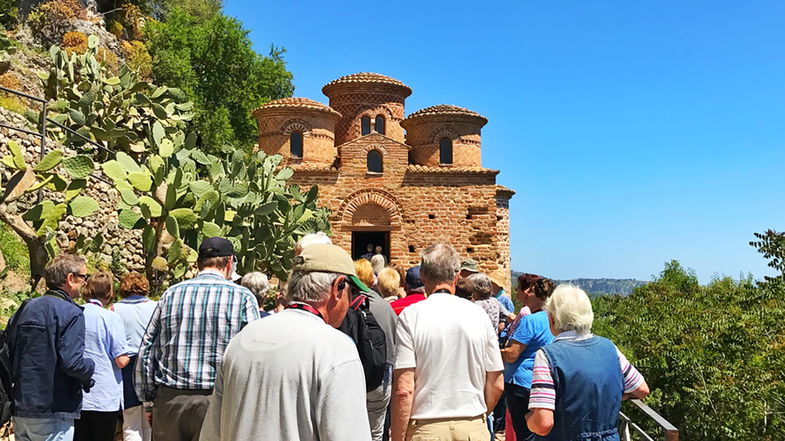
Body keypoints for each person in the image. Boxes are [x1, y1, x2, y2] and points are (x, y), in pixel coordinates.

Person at [198, 244, 371, 441]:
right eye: (352, 293)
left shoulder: (242, 339)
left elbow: (211, 434)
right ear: (337, 287)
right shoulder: (335, 348)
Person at [136, 237, 261, 441]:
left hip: (170, 399)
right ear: (230, 263)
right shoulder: (242, 297)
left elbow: (147, 349)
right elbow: (254, 354)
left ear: (198, 263)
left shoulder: (171, 294)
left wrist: (148, 400)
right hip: (219, 399)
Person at [391, 243, 504, 441]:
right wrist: (479, 414)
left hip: (426, 427)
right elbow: (497, 382)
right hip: (472, 425)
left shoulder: (411, 316)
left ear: (423, 276)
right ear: (457, 275)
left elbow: (404, 389)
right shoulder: (479, 315)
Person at [527, 285, 650, 440]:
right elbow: (642, 389)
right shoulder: (609, 347)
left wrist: (529, 421)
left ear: (552, 318)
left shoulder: (547, 356)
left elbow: (543, 424)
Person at [7, 254, 95, 441]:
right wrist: (90, 368)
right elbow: (72, 363)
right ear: (71, 279)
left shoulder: (25, 308)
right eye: (83, 278)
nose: (85, 283)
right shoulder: (71, 312)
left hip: (22, 407)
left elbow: (9, 350)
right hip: (53, 407)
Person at [76, 272, 130, 441]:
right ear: (109, 293)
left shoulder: (75, 313)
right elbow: (121, 360)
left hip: (77, 394)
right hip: (104, 396)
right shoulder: (110, 318)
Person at [500, 278, 555, 440]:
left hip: (521, 383)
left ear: (539, 297)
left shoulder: (530, 321)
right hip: (544, 382)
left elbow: (512, 354)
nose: (526, 294)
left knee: (524, 433)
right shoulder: (553, 320)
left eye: (531, 291)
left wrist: (493, 351)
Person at [113, 272, 157, 441]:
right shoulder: (156, 306)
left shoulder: (115, 309)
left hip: (127, 365)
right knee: (149, 420)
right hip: (150, 365)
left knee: (131, 421)